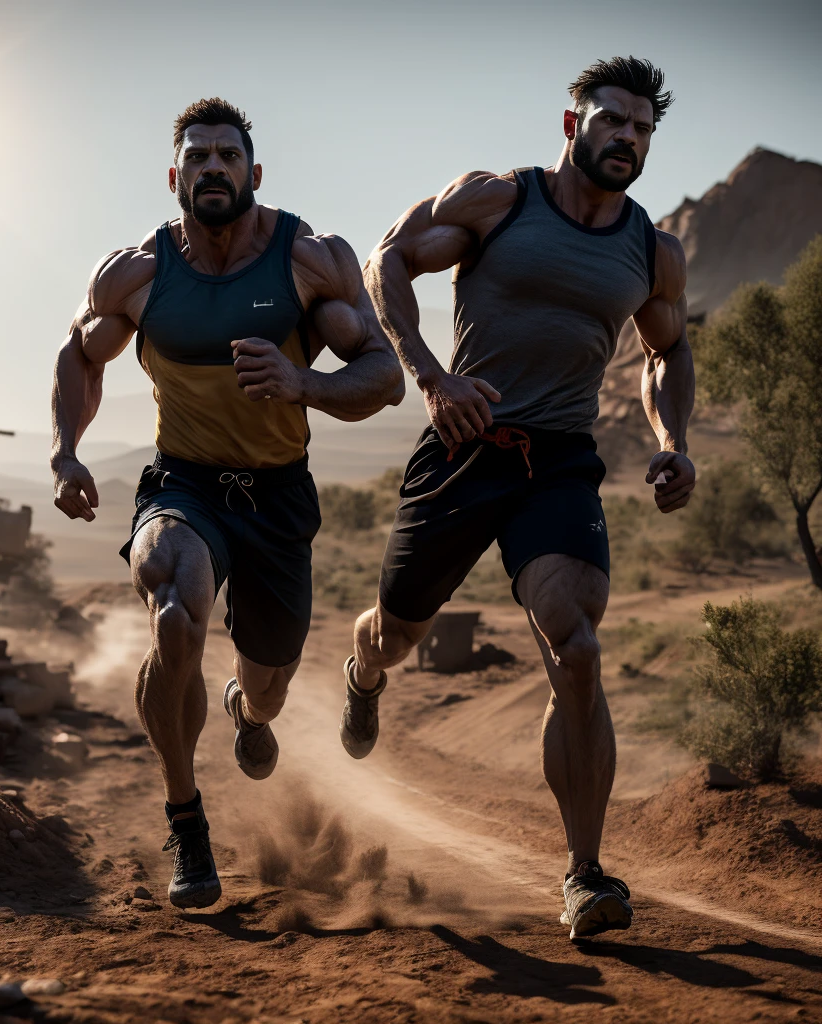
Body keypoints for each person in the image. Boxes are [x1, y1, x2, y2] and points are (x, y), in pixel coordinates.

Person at [341, 57, 695, 941]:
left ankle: (584, 874)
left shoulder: (653, 250)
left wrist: (672, 441)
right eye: (612, 120)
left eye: (642, 128)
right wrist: (430, 376)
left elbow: (666, 353)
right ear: (572, 124)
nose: (627, 137)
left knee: (573, 645)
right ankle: (362, 673)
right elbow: (390, 254)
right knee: (395, 635)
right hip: (463, 449)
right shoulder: (499, 200)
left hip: (559, 463)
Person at [50, 98, 404, 909]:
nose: (213, 167)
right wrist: (67, 449)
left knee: (269, 682)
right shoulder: (136, 273)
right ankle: (187, 822)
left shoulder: (310, 261)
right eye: (198, 156)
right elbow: (80, 354)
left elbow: (382, 376)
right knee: (175, 608)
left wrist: (303, 382)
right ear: (176, 176)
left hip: (277, 496)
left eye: (227, 155)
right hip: (185, 484)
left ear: (253, 173)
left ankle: (249, 709)